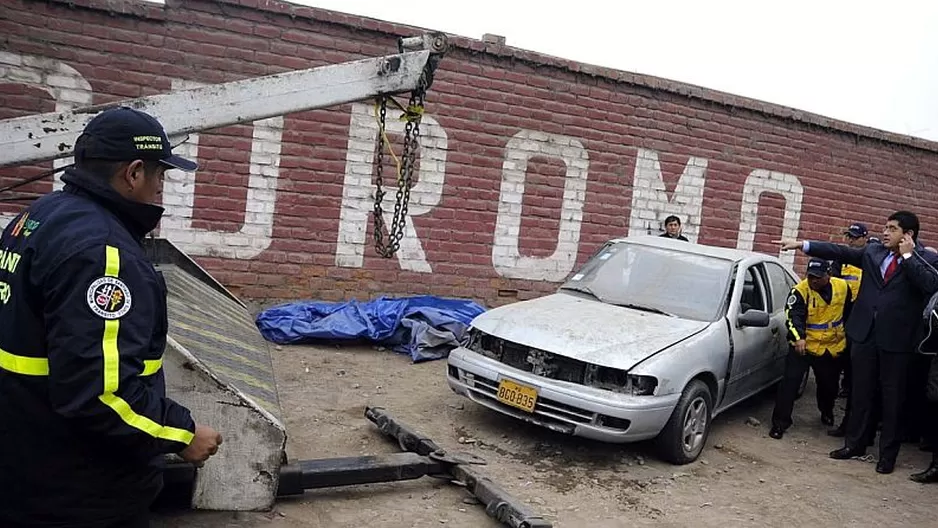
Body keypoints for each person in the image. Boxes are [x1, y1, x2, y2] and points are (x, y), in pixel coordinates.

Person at [0, 107, 223, 527]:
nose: (160, 187)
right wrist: (182, 433)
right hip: (76, 489)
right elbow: (96, 393)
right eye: (161, 174)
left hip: (22, 461)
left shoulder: (36, 217)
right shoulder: (103, 254)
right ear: (134, 173)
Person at [776, 211, 938, 475]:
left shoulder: (926, 258)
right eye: (885, 227)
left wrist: (908, 256)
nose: (885, 232)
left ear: (908, 235)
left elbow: (930, 284)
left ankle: (887, 456)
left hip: (896, 341)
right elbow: (839, 251)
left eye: (892, 228)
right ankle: (855, 444)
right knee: (860, 393)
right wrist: (804, 245)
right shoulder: (873, 252)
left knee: (891, 398)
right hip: (864, 335)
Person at [769, 258, 852, 439]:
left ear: (828, 275)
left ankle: (826, 411)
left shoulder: (842, 288)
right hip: (804, 347)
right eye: (811, 276)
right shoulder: (800, 291)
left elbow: (849, 313)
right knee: (789, 384)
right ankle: (780, 424)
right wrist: (799, 338)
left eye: (818, 277)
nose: (813, 281)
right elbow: (793, 317)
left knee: (829, 386)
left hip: (831, 347)